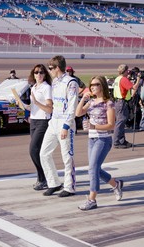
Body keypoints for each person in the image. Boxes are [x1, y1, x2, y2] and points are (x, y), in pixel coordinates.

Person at [76, 76, 123, 211]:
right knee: (94, 168)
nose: (92, 87)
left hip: (103, 139)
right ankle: (116, 184)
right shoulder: (91, 102)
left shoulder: (108, 103)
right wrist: (83, 99)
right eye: (91, 85)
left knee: (92, 169)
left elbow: (111, 125)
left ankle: (92, 200)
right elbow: (78, 113)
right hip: (92, 139)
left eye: (95, 84)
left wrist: (94, 127)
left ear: (102, 86)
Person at [40, 55, 79, 197]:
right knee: (44, 153)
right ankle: (54, 183)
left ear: (57, 68)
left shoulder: (71, 82)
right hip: (53, 123)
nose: (49, 70)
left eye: (50, 68)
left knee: (67, 156)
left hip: (65, 124)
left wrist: (66, 126)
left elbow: (72, 107)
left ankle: (70, 187)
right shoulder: (55, 82)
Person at [23, 64, 53, 190]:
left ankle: (43, 178)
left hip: (43, 121)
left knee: (33, 150)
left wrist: (36, 103)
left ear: (45, 74)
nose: (39, 74)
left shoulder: (46, 88)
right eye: (36, 72)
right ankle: (44, 178)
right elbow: (33, 106)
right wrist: (26, 107)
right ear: (33, 74)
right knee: (38, 152)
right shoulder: (34, 87)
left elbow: (49, 108)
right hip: (34, 121)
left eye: (41, 72)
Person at [113, 64, 141, 148]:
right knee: (120, 122)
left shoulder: (118, 78)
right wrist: (138, 79)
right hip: (122, 102)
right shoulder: (124, 79)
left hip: (118, 101)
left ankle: (122, 140)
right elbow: (134, 87)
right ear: (125, 71)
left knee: (121, 121)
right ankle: (117, 142)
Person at [66, 66, 86, 132]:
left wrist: (78, 93)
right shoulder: (64, 79)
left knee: (74, 113)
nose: (69, 73)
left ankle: (75, 129)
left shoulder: (75, 79)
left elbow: (83, 86)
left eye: (70, 71)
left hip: (74, 99)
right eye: (67, 71)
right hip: (66, 99)